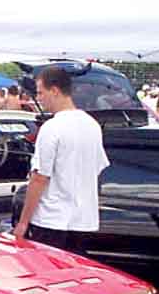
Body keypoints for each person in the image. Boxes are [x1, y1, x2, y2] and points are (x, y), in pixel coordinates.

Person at [13, 67, 109, 254]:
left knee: (47, 270)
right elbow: (97, 169)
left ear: (55, 91)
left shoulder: (52, 127)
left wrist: (23, 222)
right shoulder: (93, 125)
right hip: (84, 222)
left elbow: (40, 178)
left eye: (41, 92)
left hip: (51, 221)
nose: (38, 98)